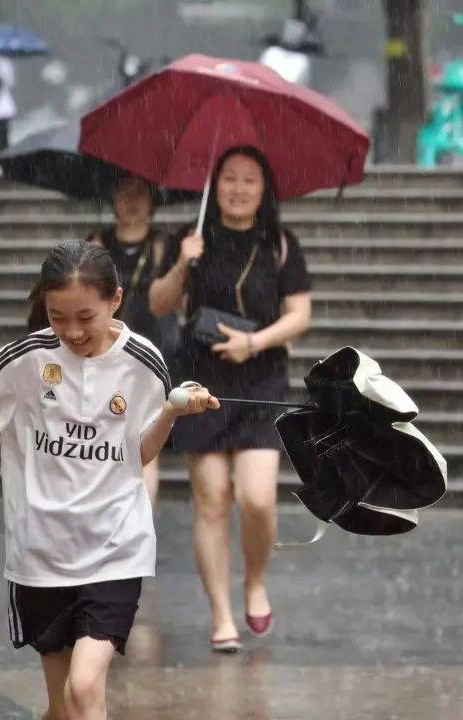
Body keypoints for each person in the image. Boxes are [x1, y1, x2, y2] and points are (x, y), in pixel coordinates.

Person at [0, 240, 218, 720]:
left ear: (115, 300)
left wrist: (172, 411)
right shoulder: (25, 359)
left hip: (115, 547)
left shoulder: (143, 361)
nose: (73, 331)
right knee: (61, 707)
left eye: (86, 317)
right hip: (41, 553)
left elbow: (140, 453)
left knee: (84, 689)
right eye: (57, 316)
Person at [149, 146, 312, 653]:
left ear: (264, 191)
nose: (238, 188)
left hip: (261, 377)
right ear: (213, 184)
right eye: (229, 178)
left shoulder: (280, 243)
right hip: (202, 376)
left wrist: (254, 342)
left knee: (257, 498)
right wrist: (182, 263)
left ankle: (255, 580)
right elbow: (158, 304)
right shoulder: (191, 237)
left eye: (249, 180)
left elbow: (299, 315)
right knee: (212, 498)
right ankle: (221, 615)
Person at [84, 175, 177, 506]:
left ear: (152, 201)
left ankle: (138, 519)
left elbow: (175, 299)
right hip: (102, 351)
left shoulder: (166, 245)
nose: (132, 201)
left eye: (139, 193)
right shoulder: (96, 243)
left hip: (148, 351)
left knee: (142, 438)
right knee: (101, 436)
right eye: (123, 193)